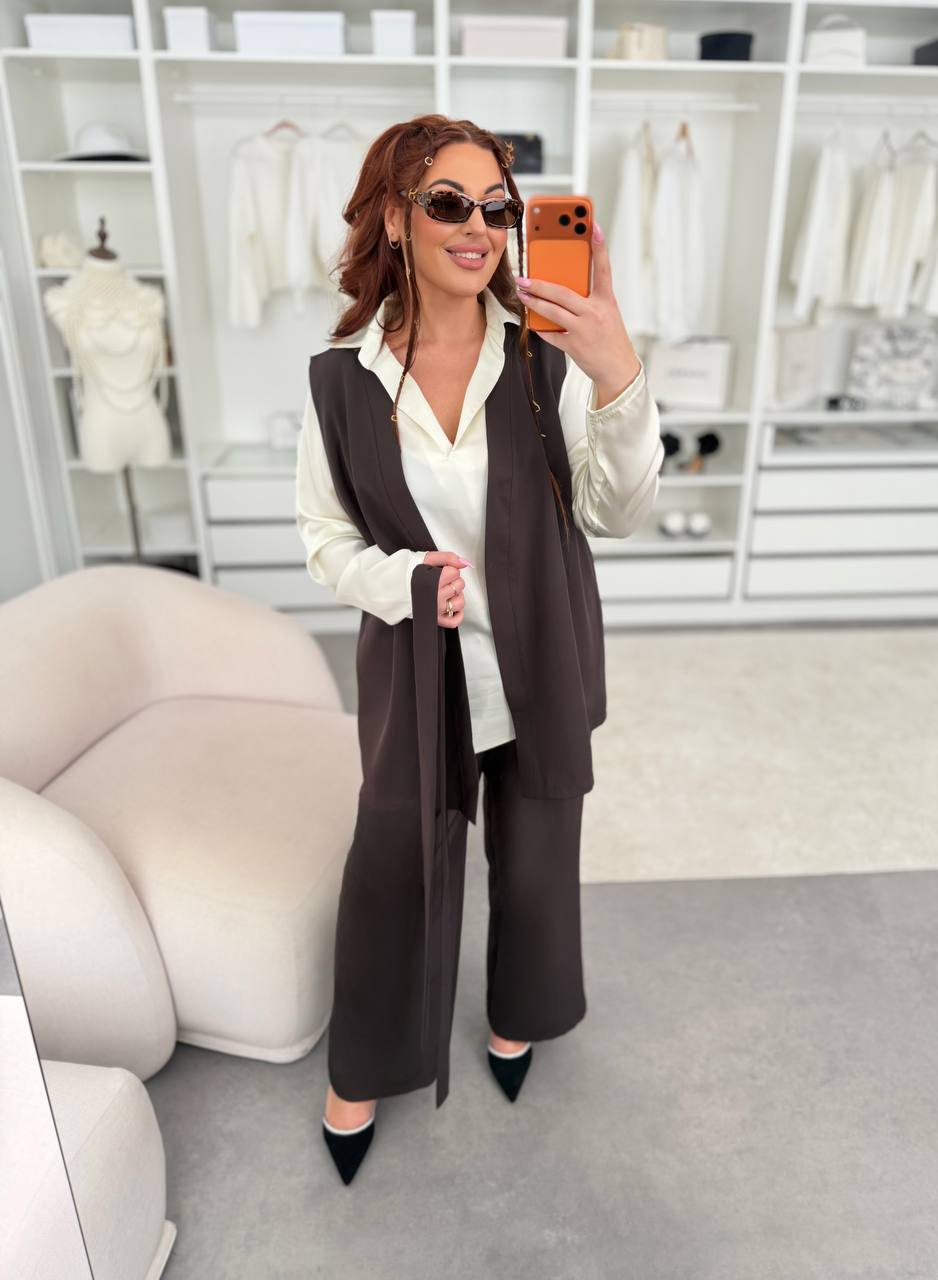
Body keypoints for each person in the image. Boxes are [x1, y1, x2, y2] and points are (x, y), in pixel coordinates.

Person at [295, 114, 663, 1185]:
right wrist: (404, 581)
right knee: (392, 864)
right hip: (420, 670)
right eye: (449, 203)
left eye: (496, 207)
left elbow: (616, 511)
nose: (479, 227)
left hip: (539, 663)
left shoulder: (546, 358)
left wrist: (616, 369)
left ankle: (518, 1016)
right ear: (393, 219)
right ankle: (365, 1063)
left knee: (538, 863)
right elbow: (325, 541)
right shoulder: (340, 376)